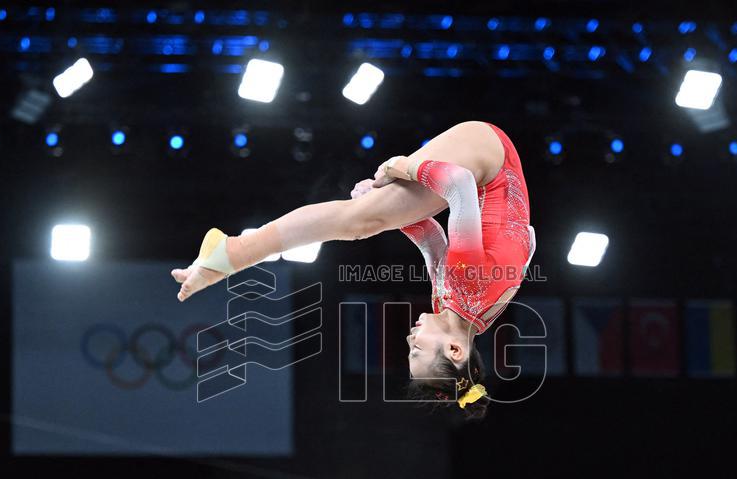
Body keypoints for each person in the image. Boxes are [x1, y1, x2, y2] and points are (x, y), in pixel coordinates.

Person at [171, 121, 534, 419]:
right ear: (455, 350)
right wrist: (401, 167)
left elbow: (430, 237)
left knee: (364, 220)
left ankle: (229, 255)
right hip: (490, 160)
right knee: (357, 223)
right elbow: (459, 185)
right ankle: (233, 253)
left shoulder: (459, 308)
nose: (409, 341)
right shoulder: (471, 289)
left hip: (491, 167)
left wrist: (383, 208)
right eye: (417, 352)